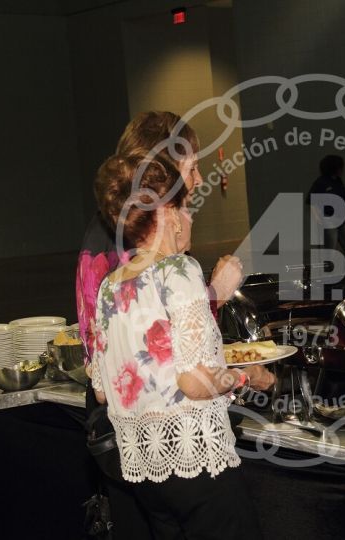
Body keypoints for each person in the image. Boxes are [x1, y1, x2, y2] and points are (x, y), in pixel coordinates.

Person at [90, 149, 275, 539]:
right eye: (186, 208)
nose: (190, 218)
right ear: (168, 213)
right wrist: (245, 377)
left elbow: (104, 391)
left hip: (144, 470)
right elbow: (195, 381)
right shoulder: (178, 270)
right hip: (195, 461)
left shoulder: (109, 287)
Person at [75, 111, 239, 538]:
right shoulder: (123, 247)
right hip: (163, 440)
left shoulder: (130, 242)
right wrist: (217, 294)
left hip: (142, 445)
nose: (197, 180)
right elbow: (170, 357)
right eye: (191, 167)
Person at [308, 154, 345, 272]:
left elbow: (343, 197)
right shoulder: (321, 182)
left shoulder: (339, 181)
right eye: (341, 167)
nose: (342, 170)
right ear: (334, 168)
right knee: (330, 253)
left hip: (342, 220)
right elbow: (311, 201)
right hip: (329, 220)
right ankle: (328, 276)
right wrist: (316, 216)